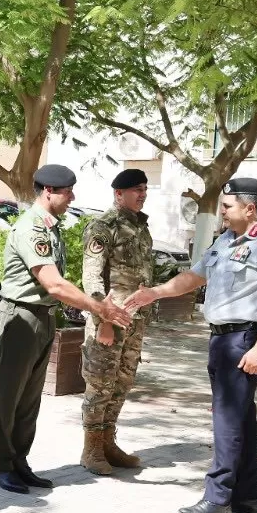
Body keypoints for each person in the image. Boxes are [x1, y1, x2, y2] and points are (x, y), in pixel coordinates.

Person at [126, 178, 257, 513]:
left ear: (250, 208)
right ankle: (247, 496)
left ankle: (218, 498)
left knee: (226, 418)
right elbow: (195, 276)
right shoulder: (226, 239)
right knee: (240, 417)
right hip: (222, 338)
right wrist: (155, 292)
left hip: (245, 339)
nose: (221, 211)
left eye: (227, 206)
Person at [0, 165, 131, 492]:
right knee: (8, 397)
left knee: (29, 398)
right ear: (49, 191)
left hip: (42, 317)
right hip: (20, 317)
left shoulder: (49, 227)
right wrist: (99, 308)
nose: (72, 197)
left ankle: (19, 462)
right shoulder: (31, 227)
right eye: (67, 192)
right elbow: (53, 284)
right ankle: (2, 466)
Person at [78, 169, 155, 474]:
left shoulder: (141, 228)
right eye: (137, 189)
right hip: (108, 322)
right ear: (118, 193)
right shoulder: (103, 227)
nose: (143, 194)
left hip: (135, 322)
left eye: (145, 189)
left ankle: (108, 442)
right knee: (100, 385)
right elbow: (92, 278)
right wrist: (104, 320)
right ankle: (91, 449)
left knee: (122, 383)